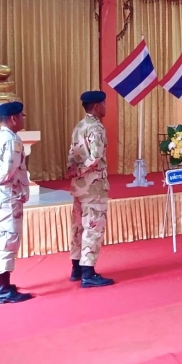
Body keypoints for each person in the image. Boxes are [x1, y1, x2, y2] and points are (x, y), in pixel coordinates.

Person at [0, 101, 33, 304]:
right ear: (13, 118)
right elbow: (7, 172)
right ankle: (2, 289)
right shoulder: (12, 140)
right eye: (21, 116)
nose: (23, 119)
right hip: (7, 197)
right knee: (7, 239)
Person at [67, 90, 114, 288]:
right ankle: (88, 273)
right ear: (96, 106)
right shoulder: (96, 127)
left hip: (78, 187)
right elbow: (95, 157)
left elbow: (71, 154)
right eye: (104, 103)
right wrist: (81, 170)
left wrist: (73, 171)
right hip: (93, 185)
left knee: (78, 227)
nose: (105, 107)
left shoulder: (79, 126)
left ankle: (76, 268)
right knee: (93, 227)